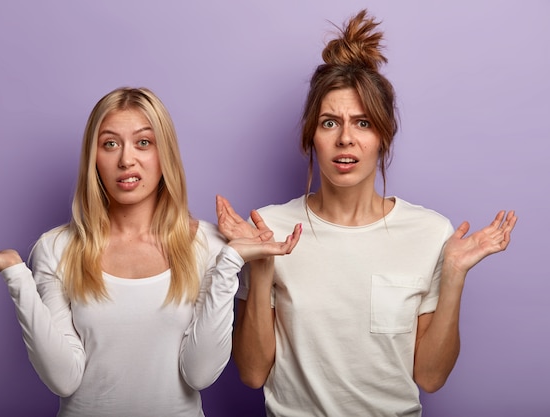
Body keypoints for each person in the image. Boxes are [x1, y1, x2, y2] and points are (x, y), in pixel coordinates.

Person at [217, 9, 518, 417]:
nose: (345, 139)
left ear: (383, 136)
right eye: (329, 123)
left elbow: (429, 378)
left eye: (362, 122)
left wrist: (453, 277)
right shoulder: (268, 229)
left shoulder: (430, 233)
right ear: (311, 137)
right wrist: (264, 263)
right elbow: (252, 374)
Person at [0, 87, 301, 417]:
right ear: (94, 158)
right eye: (110, 144)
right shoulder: (56, 249)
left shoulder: (207, 246)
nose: (126, 159)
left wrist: (230, 263)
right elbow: (63, 379)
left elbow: (200, 374)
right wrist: (16, 275)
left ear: (164, 155)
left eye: (143, 142)